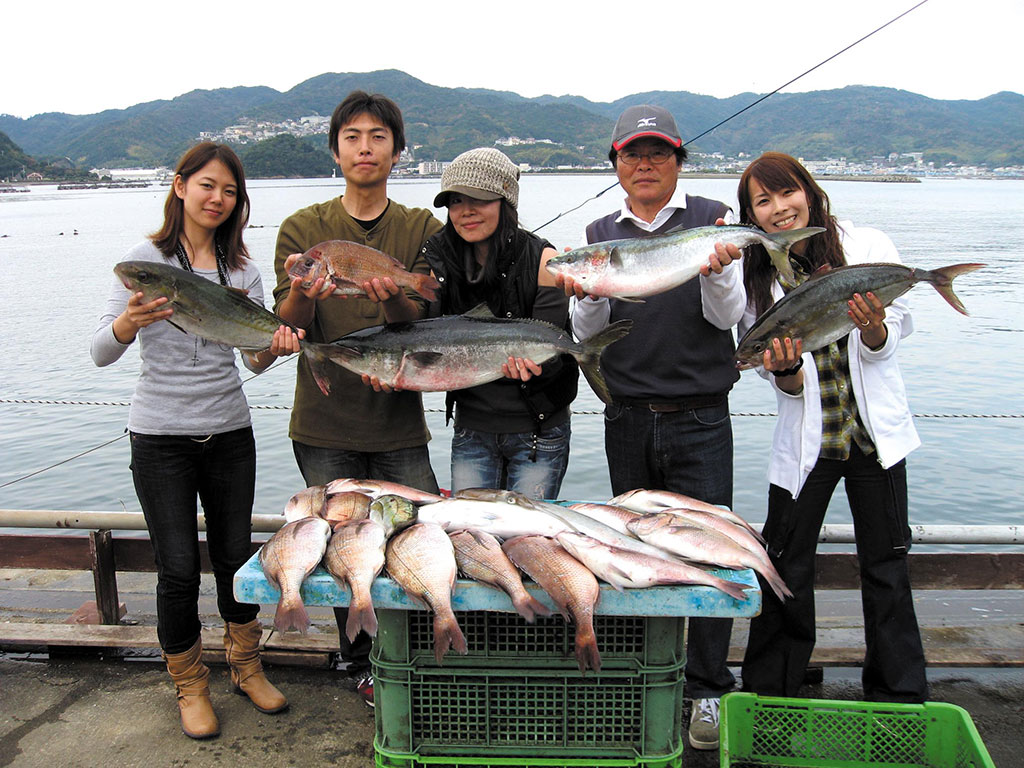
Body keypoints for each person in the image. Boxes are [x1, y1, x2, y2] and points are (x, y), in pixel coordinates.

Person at [91, 142, 299, 739]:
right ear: (180, 185)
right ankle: (188, 683)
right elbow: (101, 351)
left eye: (229, 191)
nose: (217, 199)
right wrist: (130, 321)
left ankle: (245, 665)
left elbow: (253, 360)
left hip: (230, 431)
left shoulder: (243, 271)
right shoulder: (144, 261)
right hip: (160, 438)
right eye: (207, 185)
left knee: (236, 559)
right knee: (178, 568)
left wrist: (277, 345)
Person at [557, 105, 744, 751]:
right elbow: (588, 338)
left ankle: (708, 690)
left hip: (700, 417)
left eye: (658, 153)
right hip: (628, 417)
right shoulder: (599, 231)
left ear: (678, 161)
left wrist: (717, 271)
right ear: (615, 164)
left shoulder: (714, 218)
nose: (644, 164)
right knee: (629, 553)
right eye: (632, 154)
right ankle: (643, 676)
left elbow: (729, 319)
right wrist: (585, 295)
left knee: (709, 548)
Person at [735, 151, 928, 703]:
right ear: (753, 216)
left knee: (886, 566)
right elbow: (783, 385)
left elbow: (895, 336)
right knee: (784, 567)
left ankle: (898, 697)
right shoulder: (759, 278)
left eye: (785, 193)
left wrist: (873, 332)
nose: (778, 208)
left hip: (874, 438)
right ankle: (773, 694)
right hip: (807, 443)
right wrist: (787, 370)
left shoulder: (868, 246)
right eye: (762, 202)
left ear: (809, 191)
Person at [272, 90, 442, 708]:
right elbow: (286, 322)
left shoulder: (420, 227)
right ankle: (359, 665)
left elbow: (422, 318)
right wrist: (307, 291)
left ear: (397, 150)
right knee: (338, 545)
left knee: (411, 538)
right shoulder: (303, 230)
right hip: (322, 420)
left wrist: (392, 292)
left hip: (400, 422)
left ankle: (415, 658)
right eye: (352, 137)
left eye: (377, 136)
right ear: (335, 149)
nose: (364, 148)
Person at [422, 147, 577, 498]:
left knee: (529, 539)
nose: (466, 212)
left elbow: (551, 345)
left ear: (506, 202)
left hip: (538, 430)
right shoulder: (441, 262)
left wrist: (538, 365)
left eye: (480, 199)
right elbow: (427, 339)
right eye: (456, 201)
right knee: (472, 534)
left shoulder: (545, 261)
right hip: (471, 428)